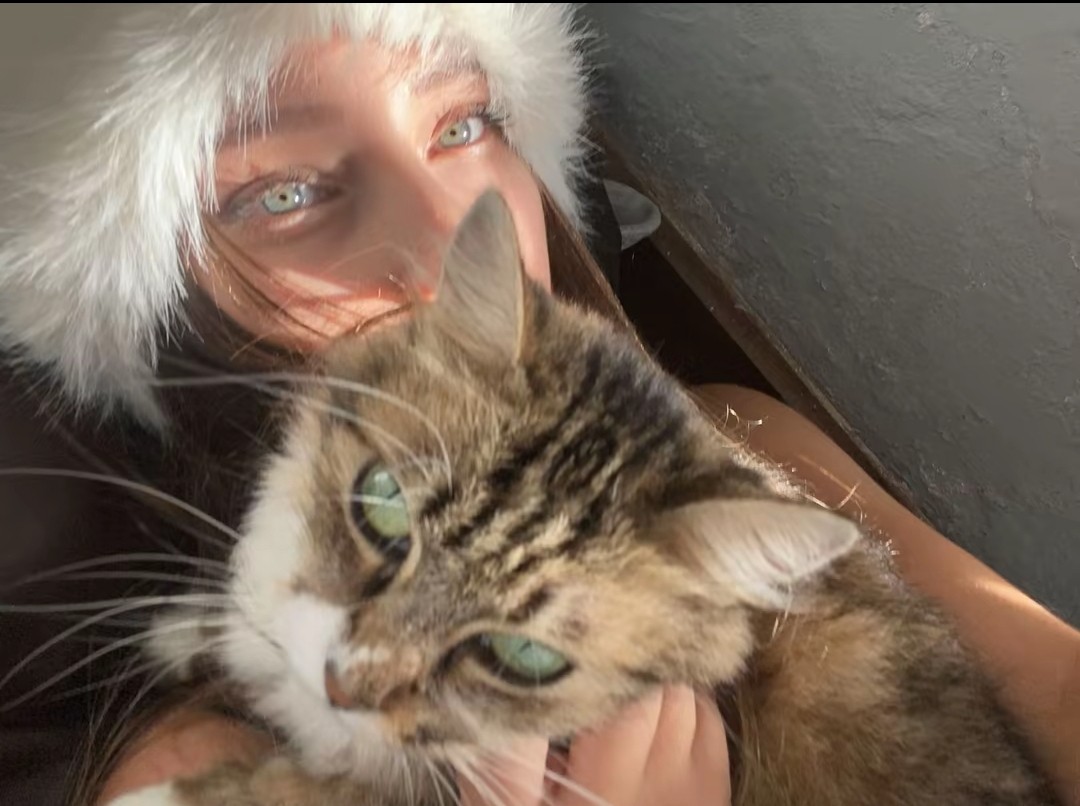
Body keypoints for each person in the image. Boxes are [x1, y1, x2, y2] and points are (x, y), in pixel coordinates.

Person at [0, 5, 1074, 806]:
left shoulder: (745, 436)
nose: (443, 236)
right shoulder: (198, 757)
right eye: (284, 192)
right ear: (160, 293)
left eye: (463, 124)